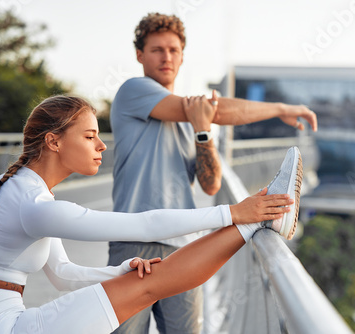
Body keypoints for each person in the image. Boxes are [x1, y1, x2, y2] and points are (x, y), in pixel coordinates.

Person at [0, 95, 300, 334]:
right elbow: (145, 224)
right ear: (53, 141)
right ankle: (259, 218)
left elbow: (63, 274)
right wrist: (232, 212)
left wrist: (121, 270)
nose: (102, 146)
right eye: (90, 136)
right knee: (151, 284)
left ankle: (259, 216)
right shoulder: (32, 205)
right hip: (0, 327)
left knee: (140, 279)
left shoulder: (18, 189)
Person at [109, 12, 318, 334]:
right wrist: (282, 109)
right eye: (157, 49)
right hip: (135, 242)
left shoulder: (192, 119)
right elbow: (221, 111)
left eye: (174, 50)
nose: (167, 57)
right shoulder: (134, 91)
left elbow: (211, 183)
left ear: (182, 56)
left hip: (184, 246)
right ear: (140, 55)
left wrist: (203, 131)